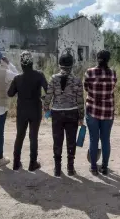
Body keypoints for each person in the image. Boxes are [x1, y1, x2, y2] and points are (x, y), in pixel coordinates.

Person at [43, 48, 84, 177]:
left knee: (57, 141)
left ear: (59, 65)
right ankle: (70, 168)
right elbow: (80, 100)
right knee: (71, 141)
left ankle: (57, 169)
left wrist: (46, 109)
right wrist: (81, 116)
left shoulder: (53, 78)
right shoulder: (77, 80)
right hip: (72, 113)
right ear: (72, 65)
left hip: (57, 114)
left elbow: (48, 96)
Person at [8, 51, 48, 171]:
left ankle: (16, 163)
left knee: (20, 136)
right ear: (32, 63)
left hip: (22, 111)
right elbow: (48, 90)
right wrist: (43, 98)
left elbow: (10, 93)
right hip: (35, 109)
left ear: (21, 64)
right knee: (33, 136)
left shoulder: (17, 78)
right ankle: (32, 164)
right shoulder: (39, 75)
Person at [84, 50, 117, 176]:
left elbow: (86, 88)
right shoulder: (113, 73)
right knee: (105, 139)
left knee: (93, 139)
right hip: (108, 111)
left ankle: (93, 167)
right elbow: (112, 87)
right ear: (108, 59)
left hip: (92, 110)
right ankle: (104, 167)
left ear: (97, 58)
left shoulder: (89, 72)